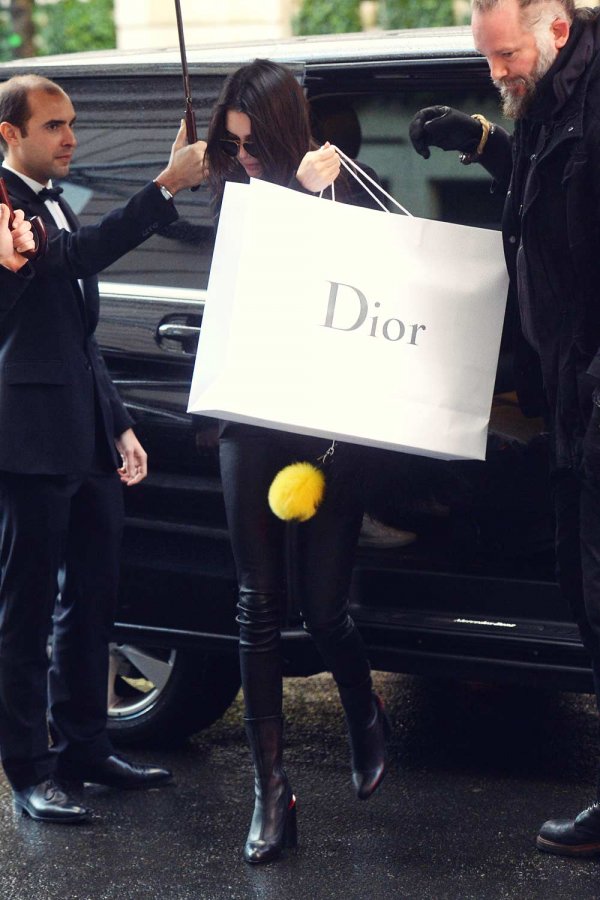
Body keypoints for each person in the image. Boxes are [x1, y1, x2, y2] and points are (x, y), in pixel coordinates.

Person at [409, 0, 600, 858]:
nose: (498, 74)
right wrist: (484, 142)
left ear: (556, 30)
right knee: (584, 593)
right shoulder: (553, 97)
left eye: (507, 56)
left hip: (593, 395)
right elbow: (554, 195)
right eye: (486, 60)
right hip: (567, 398)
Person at [0, 74, 206, 824]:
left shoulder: (55, 198)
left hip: (86, 433)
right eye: (53, 126)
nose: (71, 138)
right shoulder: (2, 204)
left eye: (72, 123)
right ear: (9, 135)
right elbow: (70, 259)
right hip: (27, 440)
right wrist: (164, 186)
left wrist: (117, 423)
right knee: (25, 613)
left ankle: (85, 745)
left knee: (92, 600)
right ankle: (29, 769)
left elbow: (78, 335)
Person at [202, 59, 390, 864]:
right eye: (232, 143)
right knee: (257, 603)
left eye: (253, 143)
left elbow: (374, 293)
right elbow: (253, 287)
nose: (242, 156)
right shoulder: (239, 196)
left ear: (283, 132)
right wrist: (282, 196)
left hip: (327, 422)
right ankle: (270, 790)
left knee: (322, 607)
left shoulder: (344, 184)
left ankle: (364, 708)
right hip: (250, 413)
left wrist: (320, 198)